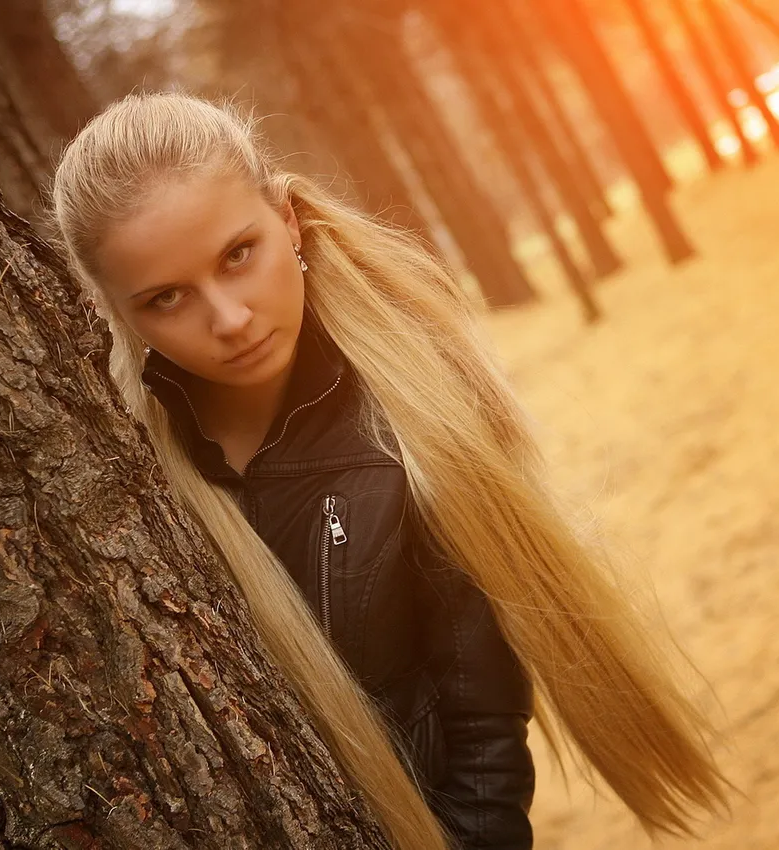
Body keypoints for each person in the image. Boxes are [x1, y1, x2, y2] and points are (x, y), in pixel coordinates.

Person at [51, 93, 726, 849]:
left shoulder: (413, 428)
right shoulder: (109, 470)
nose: (230, 319)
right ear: (117, 311)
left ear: (288, 220)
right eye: (167, 297)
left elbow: (481, 728)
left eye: (239, 255)